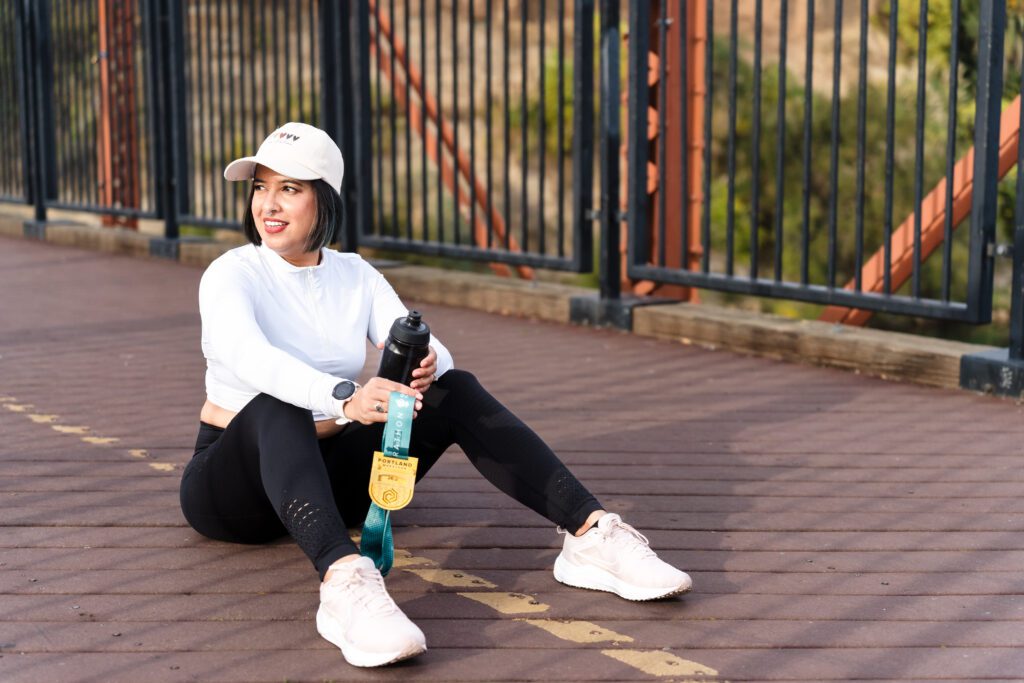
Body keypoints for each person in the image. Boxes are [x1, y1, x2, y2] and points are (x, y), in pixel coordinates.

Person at [178, 122, 692, 668]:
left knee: (454, 388)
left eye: (290, 188)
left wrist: (426, 364)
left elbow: (426, 342)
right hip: (236, 494)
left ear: (323, 198)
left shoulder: (355, 275)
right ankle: (346, 583)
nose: (269, 204)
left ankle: (590, 535)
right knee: (276, 404)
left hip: (333, 484)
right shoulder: (231, 274)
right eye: (261, 186)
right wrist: (347, 396)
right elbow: (251, 359)